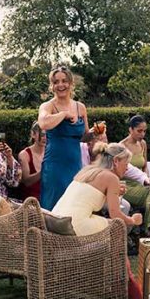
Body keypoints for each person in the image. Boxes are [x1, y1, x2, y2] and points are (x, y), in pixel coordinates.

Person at [52, 143, 144, 299]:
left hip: (58, 221)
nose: (127, 168)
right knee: (118, 227)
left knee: (112, 226)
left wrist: (115, 192)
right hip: (76, 225)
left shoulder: (87, 171)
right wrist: (133, 221)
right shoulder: (111, 178)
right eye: (126, 164)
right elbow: (116, 214)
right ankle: (121, 283)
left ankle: (115, 281)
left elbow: (89, 198)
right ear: (116, 161)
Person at [38, 65, 89, 211]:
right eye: (56, 82)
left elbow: (84, 136)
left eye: (64, 81)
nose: (60, 85)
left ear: (71, 84)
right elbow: (43, 123)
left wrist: (95, 132)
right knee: (53, 208)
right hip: (55, 166)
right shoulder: (47, 106)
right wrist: (63, 115)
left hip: (75, 166)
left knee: (73, 207)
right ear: (51, 86)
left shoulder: (81, 107)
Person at [119, 115, 150, 228]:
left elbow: (144, 166)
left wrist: (148, 180)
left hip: (141, 183)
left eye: (144, 131)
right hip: (126, 186)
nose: (142, 134)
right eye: (139, 131)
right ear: (130, 129)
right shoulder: (121, 147)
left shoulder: (143, 144)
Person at [17, 122, 46, 201]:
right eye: (42, 134)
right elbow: (26, 181)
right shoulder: (24, 155)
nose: (45, 137)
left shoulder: (50, 153)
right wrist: (42, 171)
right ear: (33, 134)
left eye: (48, 134)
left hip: (47, 197)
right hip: (31, 201)